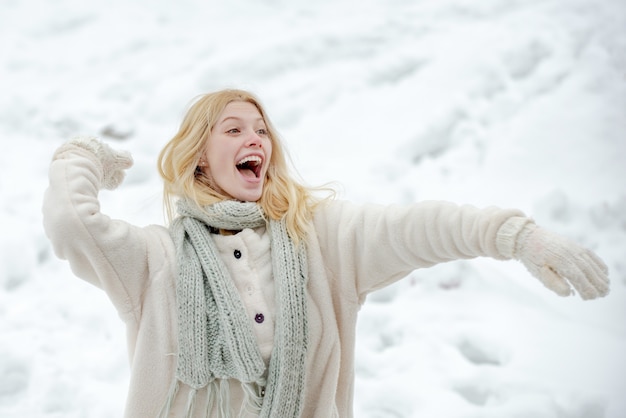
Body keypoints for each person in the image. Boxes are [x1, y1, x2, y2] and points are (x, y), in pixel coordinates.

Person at [42, 89, 610, 418]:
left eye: (261, 131)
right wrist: (84, 154)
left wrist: (512, 236)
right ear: (197, 158)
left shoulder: (322, 242)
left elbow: (418, 228)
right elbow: (72, 221)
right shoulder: (153, 261)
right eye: (233, 129)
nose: (255, 140)